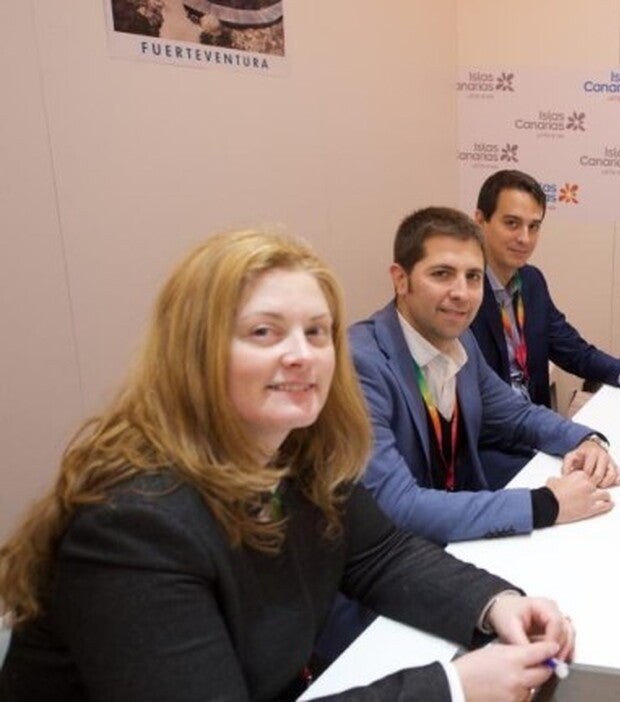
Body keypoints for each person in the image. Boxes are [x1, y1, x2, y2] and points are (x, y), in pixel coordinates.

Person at [0, 230, 575, 701]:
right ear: (194, 352)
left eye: (316, 332)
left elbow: (382, 556)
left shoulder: (300, 459)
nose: (302, 354)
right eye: (264, 332)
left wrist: (497, 604)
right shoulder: (134, 522)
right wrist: (450, 688)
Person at [351, 206, 619, 546]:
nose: (461, 293)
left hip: (463, 536)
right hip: (397, 556)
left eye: (473, 277)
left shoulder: (460, 340)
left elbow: (517, 415)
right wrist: (546, 504)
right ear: (400, 279)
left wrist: (586, 441)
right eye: (442, 274)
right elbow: (397, 506)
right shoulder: (360, 363)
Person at [470, 169, 620, 487]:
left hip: (537, 434)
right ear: (480, 221)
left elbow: (573, 350)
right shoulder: (462, 294)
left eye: (534, 226)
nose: (524, 238)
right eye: (512, 223)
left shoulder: (531, 281)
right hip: (489, 450)